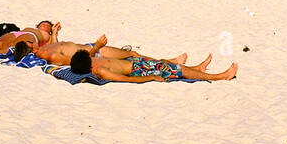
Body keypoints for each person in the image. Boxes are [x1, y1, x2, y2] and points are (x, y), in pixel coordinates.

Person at [68, 48, 237, 83]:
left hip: (135, 63)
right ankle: (221, 76)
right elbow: (125, 79)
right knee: (177, 70)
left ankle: (197, 68)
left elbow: (90, 54)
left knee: (164, 63)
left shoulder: (92, 62)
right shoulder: (100, 70)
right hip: (139, 70)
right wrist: (152, 77)